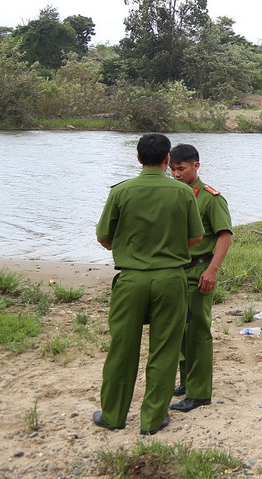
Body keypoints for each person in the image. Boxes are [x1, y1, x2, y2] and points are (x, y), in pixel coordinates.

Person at [94, 133, 203, 436]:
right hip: (171, 279)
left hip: (130, 279)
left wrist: (133, 245)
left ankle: (113, 415)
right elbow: (195, 238)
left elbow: (103, 238)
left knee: (122, 348)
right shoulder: (182, 193)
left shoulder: (121, 192)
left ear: (139, 159)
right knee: (165, 349)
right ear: (168, 159)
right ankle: (153, 419)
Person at [168, 143, 233, 414]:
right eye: (172, 169)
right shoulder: (173, 195)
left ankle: (199, 392)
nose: (176, 174)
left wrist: (212, 270)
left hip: (199, 271)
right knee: (181, 331)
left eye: (181, 169)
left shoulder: (210, 198)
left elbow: (225, 235)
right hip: (177, 272)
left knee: (198, 333)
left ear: (196, 166)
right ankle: (186, 381)